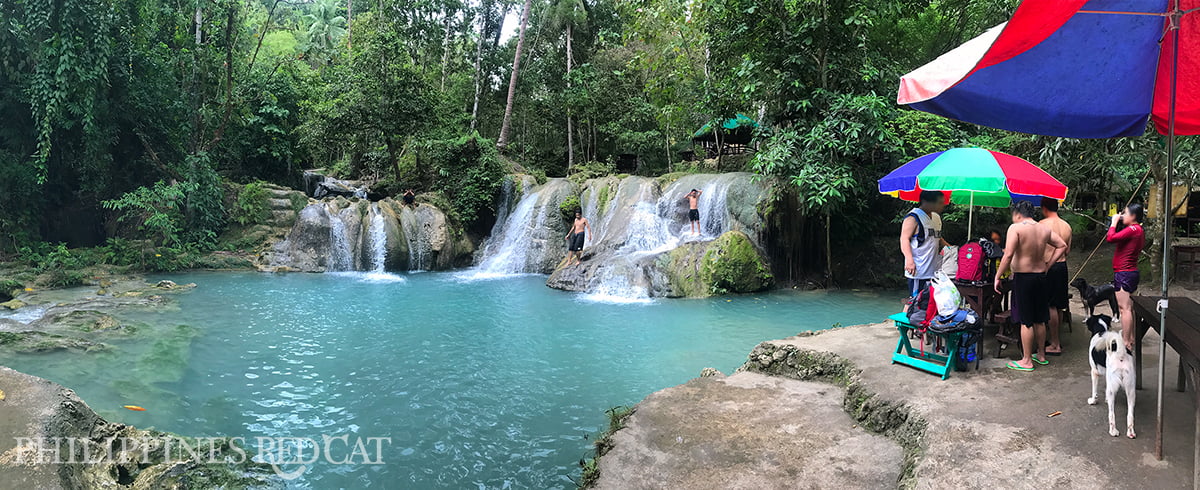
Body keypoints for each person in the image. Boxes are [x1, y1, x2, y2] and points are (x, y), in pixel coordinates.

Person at [994, 200, 1067, 371]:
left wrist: (998, 276)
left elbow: (1008, 254)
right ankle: (1041, 354)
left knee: (1026, 320)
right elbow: (1062, 245)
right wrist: (1048, 265)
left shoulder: (1016, 228)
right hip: (1041, 276)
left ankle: (1026, 360)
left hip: (1024, 278)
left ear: (1018, 214)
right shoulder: (1043, 229)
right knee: (1040, 318)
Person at [1107, 203, 1145, 347]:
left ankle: (1127, 341)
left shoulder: (1133, 229)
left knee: (1124, 309)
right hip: (1130, 272)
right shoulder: (1138, 230)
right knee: (1129, 307)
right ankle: (1131, 337)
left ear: (1133, 216)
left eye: (1125, 213)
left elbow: (1111, 238)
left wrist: (1114, 222)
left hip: (1124, 273)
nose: (1123, 215)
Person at [900, 191, 949, 298]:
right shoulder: (913, 218)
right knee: (915, 302)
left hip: (934, 269)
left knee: (929, 302)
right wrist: (909, 260)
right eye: (940, 203)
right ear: (926, 202)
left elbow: (937, 237)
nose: (943, 205)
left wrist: (951, 249)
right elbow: (904, 239)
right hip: (918, 268)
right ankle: (907, 314)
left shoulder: (936, 218)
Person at [1039, 197, 1073, 356]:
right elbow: (1067, 251)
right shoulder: (1067, 226)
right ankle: (1055, 340)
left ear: (1044, 208)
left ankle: (1054, 344)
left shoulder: (1041, 225)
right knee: (1058, 305)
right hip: (1062, 266)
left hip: (1047, 266)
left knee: (1050, 306)